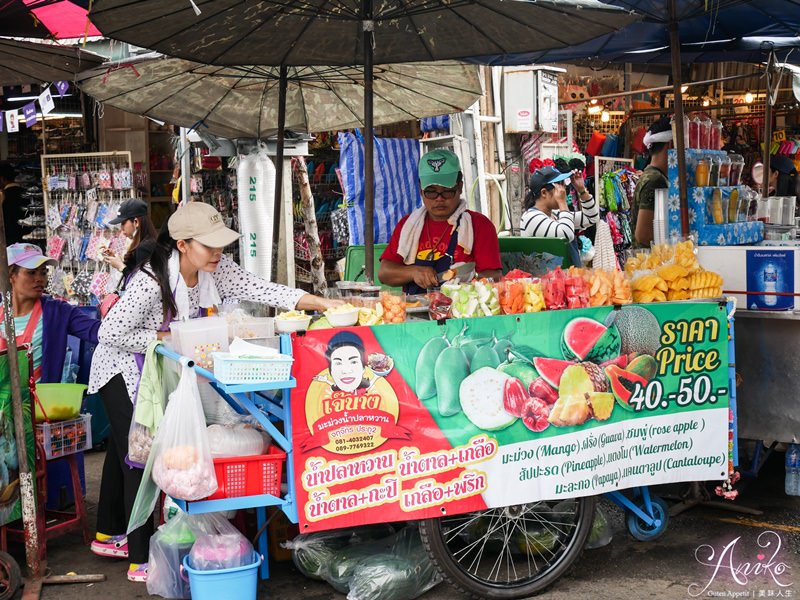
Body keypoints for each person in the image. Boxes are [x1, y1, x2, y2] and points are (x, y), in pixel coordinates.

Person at [87, 201, 341, 583]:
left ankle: (108, 535)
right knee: (141, 458)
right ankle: (139, 558)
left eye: (221, 244)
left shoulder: (215, 270)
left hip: (157, 368)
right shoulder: (150, 280)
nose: (218, 253)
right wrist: (163, 338)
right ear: (183, 244)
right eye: (209, 245)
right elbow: (108, 333)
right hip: (121, 370)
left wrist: (320, 302)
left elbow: (261, 288)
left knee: (124, 454)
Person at [379, 149, 502, 294]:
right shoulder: (407, 225)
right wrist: (413, 272)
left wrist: (467, 280)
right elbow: (384, 273)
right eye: (431, 191)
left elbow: (494, 276)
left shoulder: (479, 226)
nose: (439, 198)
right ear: (420, 189)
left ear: (460, 187)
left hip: (461, 311)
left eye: (447, 190)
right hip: (416, 311)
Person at [0, 244, 100, 382]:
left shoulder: (58, 312)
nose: (40, 279)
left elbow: (98, 332)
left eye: (43, 272)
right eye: (31, 272)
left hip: (40, 400)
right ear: (11, 276)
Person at [519, 165, 599, 266]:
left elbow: (591, 217)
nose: (564, 190)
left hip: (563, 278)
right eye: (559, 186)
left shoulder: (554, 214)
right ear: (544, 193)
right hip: (547, 280)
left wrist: (582, 191)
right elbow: (566, 236)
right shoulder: (531, 217)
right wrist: (562, 202)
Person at [633, 117, 672, 247]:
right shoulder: (655, 181)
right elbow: (643, 236)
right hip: (651, 263)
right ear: (671, 145)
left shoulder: (652, 175)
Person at [102, 198, 158, 280]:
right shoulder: (147, 242)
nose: (121, 228)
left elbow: (140, 283)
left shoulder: (145, 247)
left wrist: (121, 267)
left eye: (123, 223)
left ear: (136, 222)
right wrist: (117, 260)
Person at [0, 162, 29, 246]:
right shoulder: (26, 193)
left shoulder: (4, 196)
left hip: (8, 240)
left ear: (2, 179)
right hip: (26, 238)